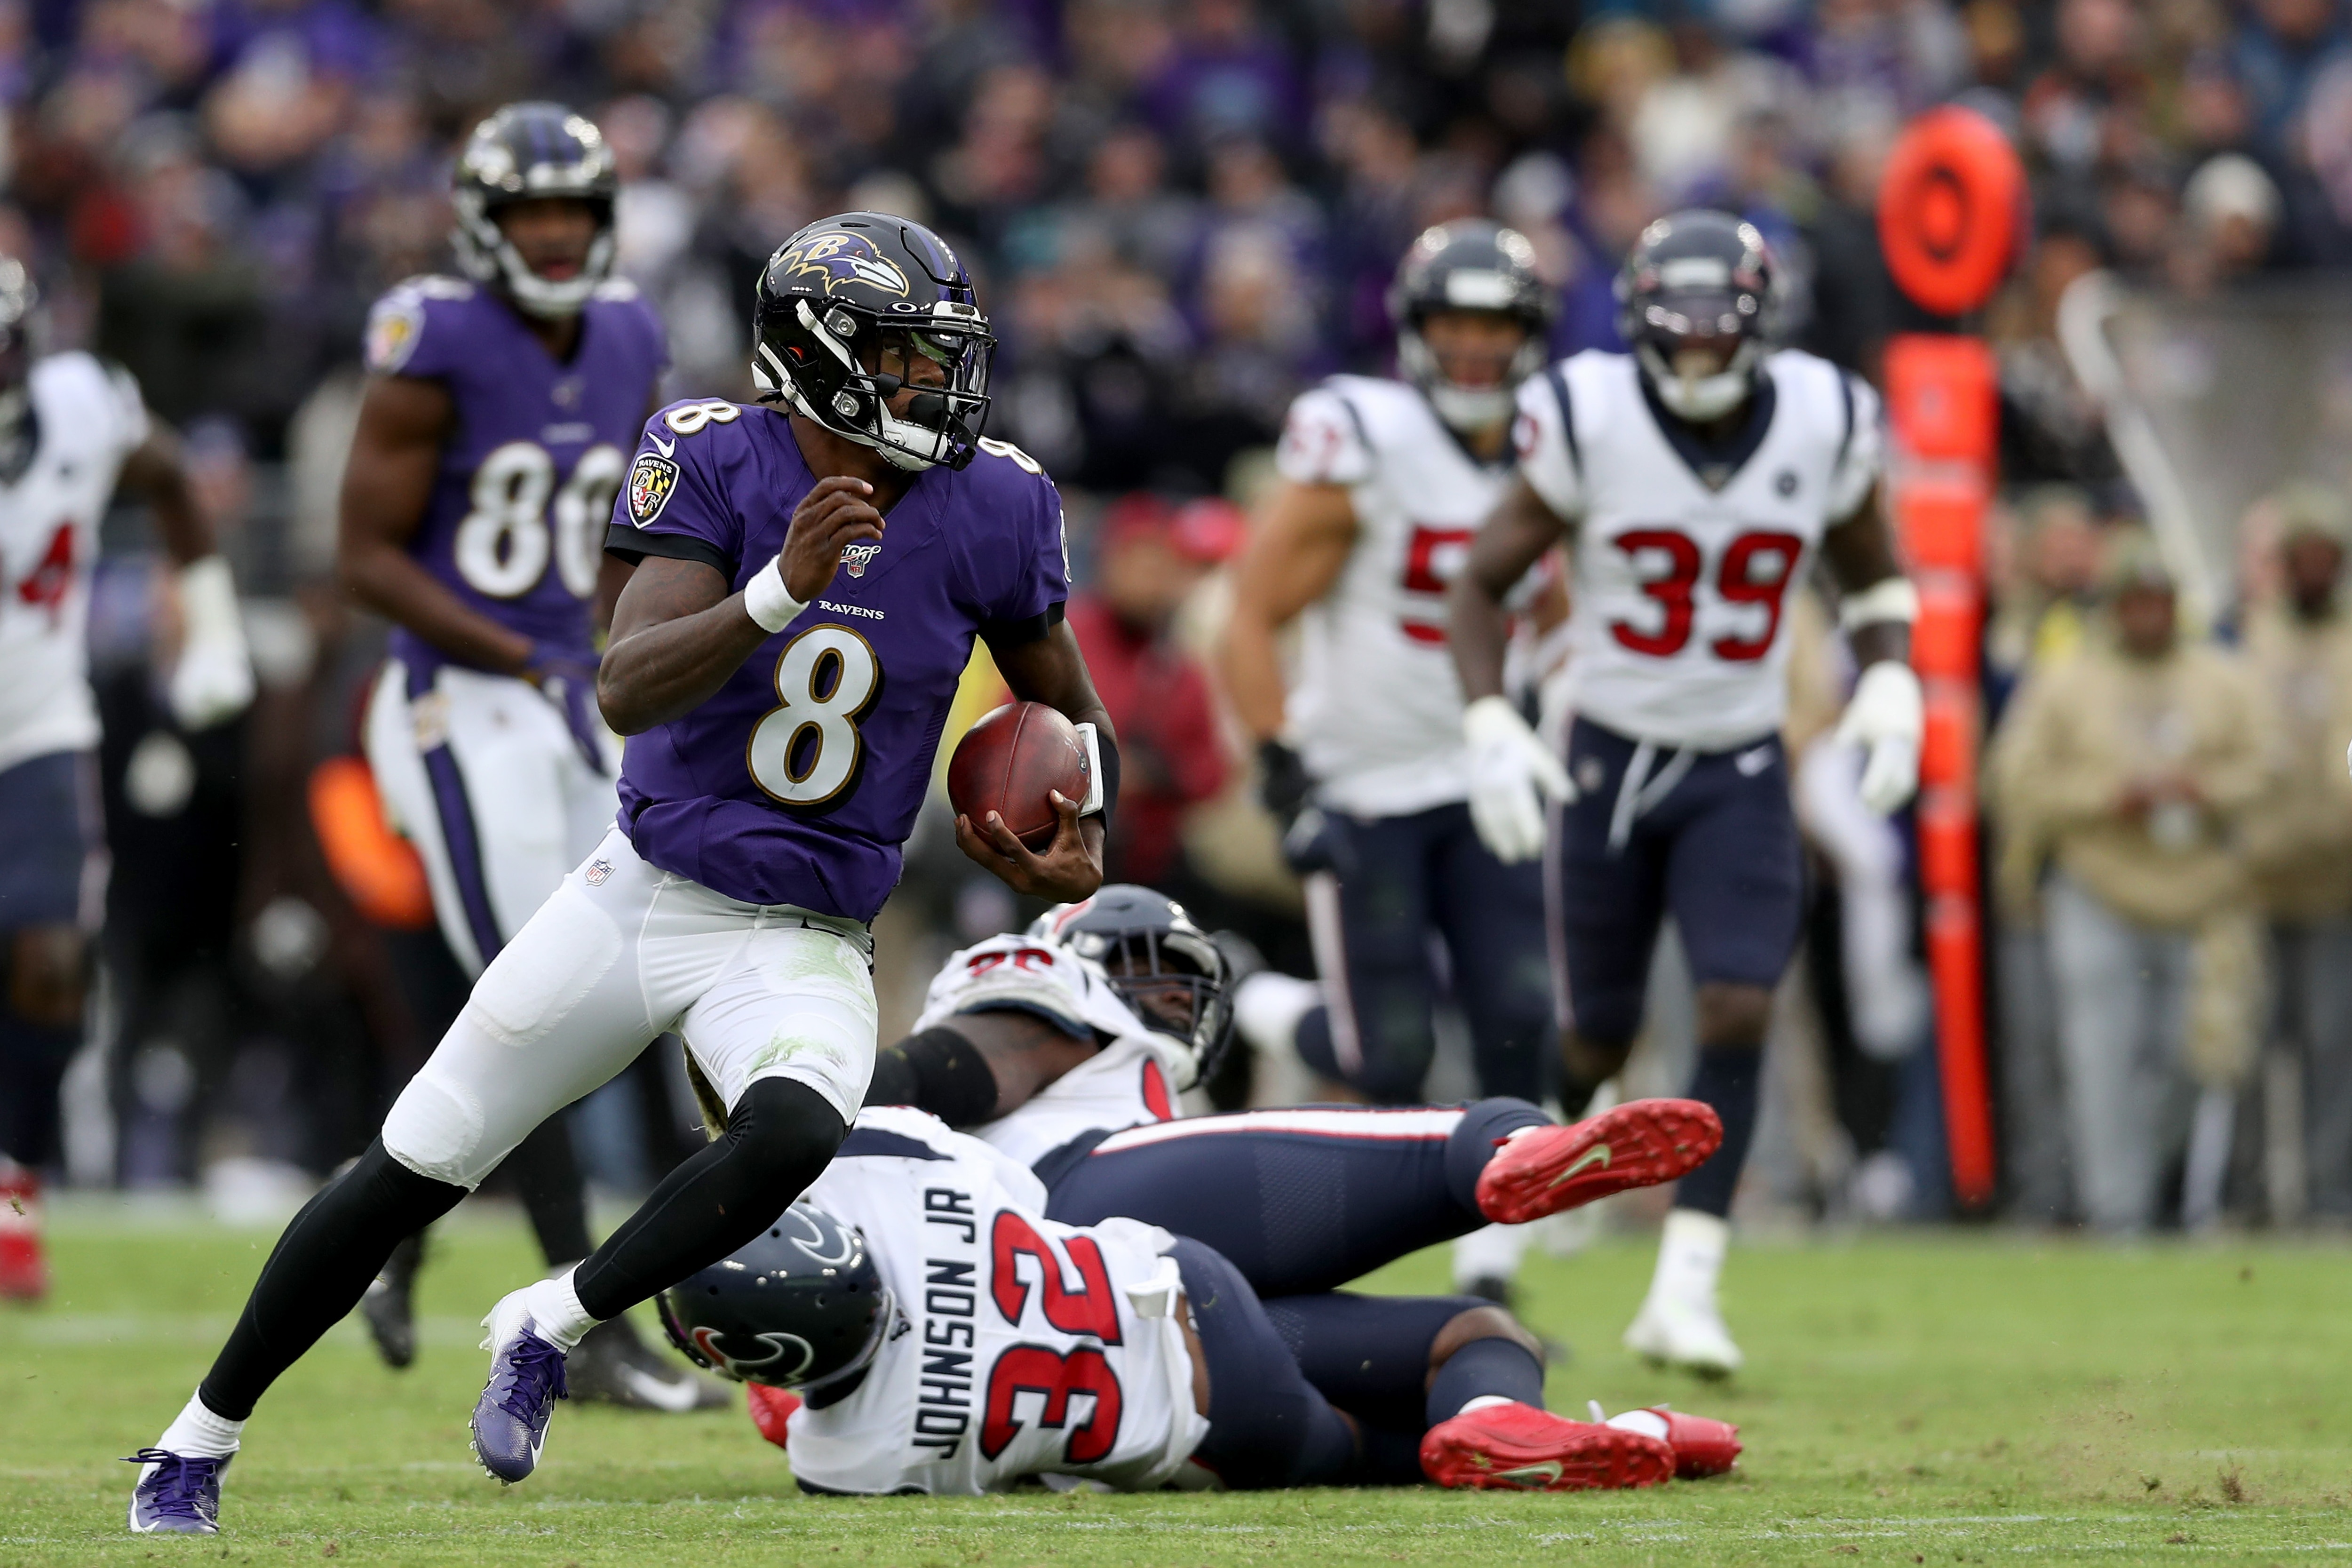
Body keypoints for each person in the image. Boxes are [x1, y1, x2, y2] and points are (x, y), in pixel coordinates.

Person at [124, 209, 1116, 1534]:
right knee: (415, 1159)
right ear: (816, 355)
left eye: (941, 357)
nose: (934, 384)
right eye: (901, 357)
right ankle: (194, 1439)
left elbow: (1069, 708)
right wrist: (778, 589)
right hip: (645, 890)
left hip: (808, 925)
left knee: (796, 1127)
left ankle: (556, 1315)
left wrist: (1083, 822)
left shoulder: (996, 499)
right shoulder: (712, 455)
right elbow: (627, 685)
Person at [1446, 210, 1923, 1377]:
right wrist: (1490, 715)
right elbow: (1479, 583)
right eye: (1683, 331)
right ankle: (1517, 1208)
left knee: (1738, 1004)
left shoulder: (1823, 414)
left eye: (1722, 331)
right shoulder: (1589, 412)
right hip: (1606, 755)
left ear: (1761, 328)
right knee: (1594, 1033)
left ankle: (1686, 1285)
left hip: (1740, 757)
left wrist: (1892, 674)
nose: (1702, 351)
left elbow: (1871, 575)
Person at [332, 101, 715, 1413]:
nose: (555, 234)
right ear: (484, 224)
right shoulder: (432, 334)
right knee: (534, 992)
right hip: (457, 697)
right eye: (530, 212)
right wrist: (521, 651)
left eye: (573, 211)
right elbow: (364, 556)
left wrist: (630, 648)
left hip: (574, 692)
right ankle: (583, 1327)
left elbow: (651, 527)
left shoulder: (631, 334)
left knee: (622, 983)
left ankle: (395, 1234)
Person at [655, 1104, 1736, 1496]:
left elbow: (875, 1439)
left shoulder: (844, 1457)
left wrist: (793, 1396)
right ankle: (1500, 1149)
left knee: (1401, 1451)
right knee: (1480, 1323)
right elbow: (1009, 1191)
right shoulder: (901, 1174)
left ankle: (1638, 1433)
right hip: (1184, 1282)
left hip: (1215, 1431)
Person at [1216, 220, 1560, 1302]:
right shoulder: (1364, 437)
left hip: (1482, 777)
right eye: (1454, 323)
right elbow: (1249, 612)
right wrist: (1283, 772)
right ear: (1414, 330)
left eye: (1494, 326)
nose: (1474, 347)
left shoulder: (1554, 444)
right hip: (1364, 784)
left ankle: (1491, 1271)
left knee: (1521, 1015)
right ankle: (1257, 999)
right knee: (1392, 1057)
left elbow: (1561, 611)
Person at [0, 255, 254, 1303]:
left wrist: (213, 623)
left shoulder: (82, 403)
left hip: (38, 723)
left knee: (53, 958)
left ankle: (14, 1193)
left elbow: (170, 477)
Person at [1992, 534, 2273, 1234]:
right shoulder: (2067, 680)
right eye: (2135, 601)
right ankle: (2117, 1214)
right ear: (2113, 607)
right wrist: (2108, 794)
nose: (2148, 614)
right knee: (2102, 1057)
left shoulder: (2222, 678)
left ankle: (2141, 1183)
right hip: (2098, 885)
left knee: (2193, 1058)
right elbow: (2013, 778)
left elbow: (2269, 767)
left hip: (2197, 892)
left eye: (2159, 601)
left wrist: (2204, 789)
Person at [2242, 485, 2352, 1222]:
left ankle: (2329, 1191)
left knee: (2332, 1045)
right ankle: (2248, 1192)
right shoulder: (2244, 637)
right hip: (2254, 876)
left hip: (2337, 878)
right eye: (2302, 555)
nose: (2314, 568)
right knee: (2248, 1046)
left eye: (2325, 556)